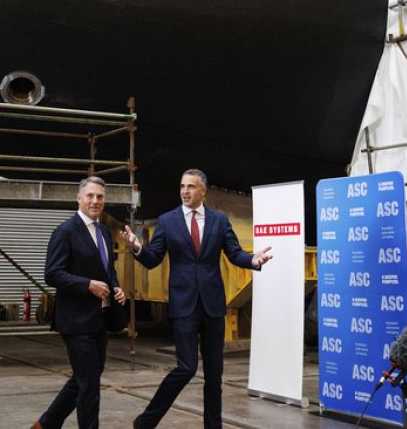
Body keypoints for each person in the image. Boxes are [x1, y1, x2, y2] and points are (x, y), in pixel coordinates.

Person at [119, 169, 273, 429]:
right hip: (184, 306)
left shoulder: (219, 221)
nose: (185, 191)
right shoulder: (167, 221)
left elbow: (235, 254)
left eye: (191, 186)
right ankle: (145, 422)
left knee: (214, 376)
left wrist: (253, 260)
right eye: (182, 186)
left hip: (213, 305)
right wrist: (137, 247)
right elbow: (153, 258)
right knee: (187, 367)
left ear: (204, 191)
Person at [34, 177, 127, 429]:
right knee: (89, 386)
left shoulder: (105, 233)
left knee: (86, 378)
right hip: (75, 319)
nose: (95, 201)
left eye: (100, 197)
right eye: (90, 196)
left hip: (99, 318)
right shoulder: (65, 231)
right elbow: (52, 273)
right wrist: (87, 284)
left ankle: (46, 423)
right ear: (79, 199)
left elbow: (108, 270)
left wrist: (115, 286)